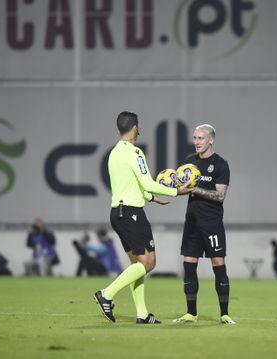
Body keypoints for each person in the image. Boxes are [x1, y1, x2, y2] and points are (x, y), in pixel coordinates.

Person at [93, 111, 191, 324]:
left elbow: (127, 184)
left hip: (117, 214)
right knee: (148, 262)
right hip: (131, 214)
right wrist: (177, 192)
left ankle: (142, 314)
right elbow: (147, 182)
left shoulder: (114, 153)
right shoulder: (135, 152)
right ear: (136, 127)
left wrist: (149, 197)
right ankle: (106, 294)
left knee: (137, 266)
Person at [173, 124, 236, 325]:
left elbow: (220, 196)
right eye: (195, 138)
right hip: (192, 222)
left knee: (218, 265)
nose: (196, 142)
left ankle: (224, 314)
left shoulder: (221, 164)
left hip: (212, 223)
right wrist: (170, 188)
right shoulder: (190, 162)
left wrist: (196, 189)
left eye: (201, 138)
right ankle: (191, 313)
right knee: (189, 265)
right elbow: (184, 189)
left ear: (211, 140)